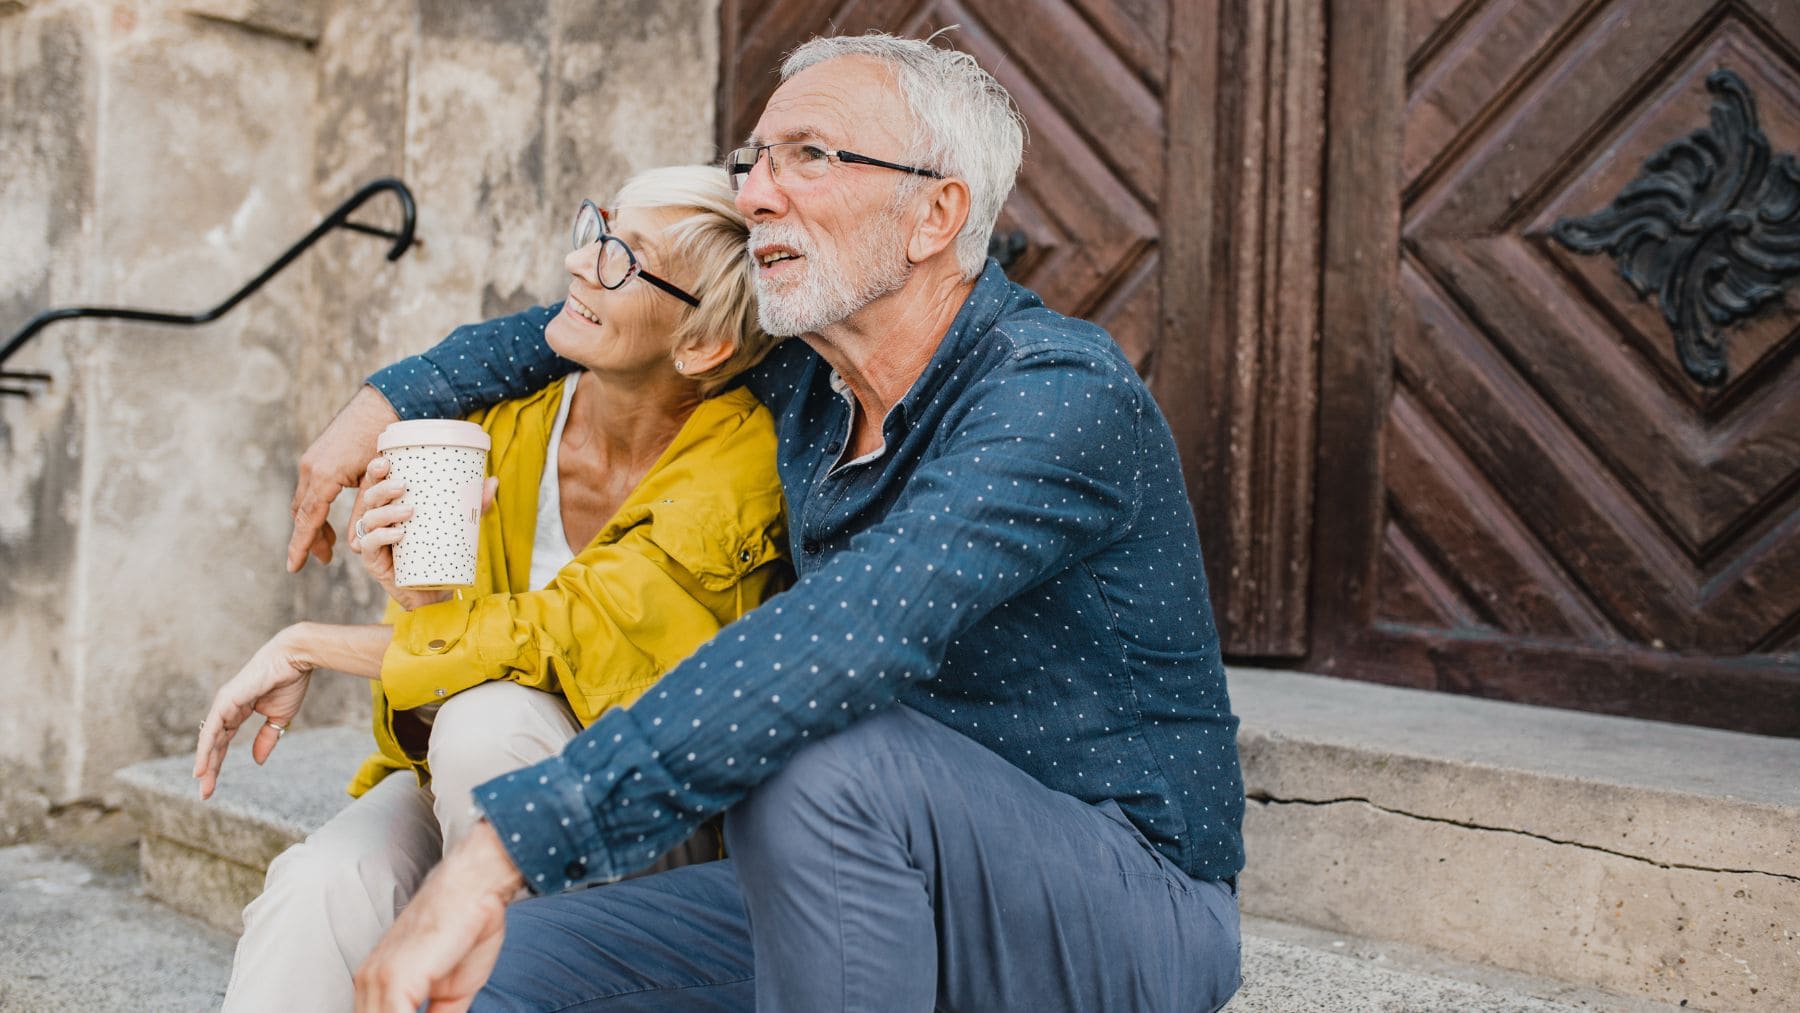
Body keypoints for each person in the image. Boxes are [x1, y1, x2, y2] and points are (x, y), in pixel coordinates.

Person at [297, 33, 1245, 1013]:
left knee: (822, 748)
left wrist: (494, 852)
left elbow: (847, 633)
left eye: (811, 156)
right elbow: (586, 320)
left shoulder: (1055, 395)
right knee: (510, 965)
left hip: (1115, 907)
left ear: (936, 213)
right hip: (855, 863)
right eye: (753, 159)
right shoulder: (806, 375)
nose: (752, 191)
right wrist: (387, 400)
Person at [195, 165, 790, 1012]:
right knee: (321, 884)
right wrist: (416, 594)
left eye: (624, 257)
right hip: (469, 782)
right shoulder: (496, 432)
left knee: (492, 719)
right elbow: (439, 665)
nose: (582, 262)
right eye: (597, 229)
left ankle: (518, 986)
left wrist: (308, 644)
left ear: (699, 344)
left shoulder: (742, 459)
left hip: (650, 804)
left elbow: (568, 634)